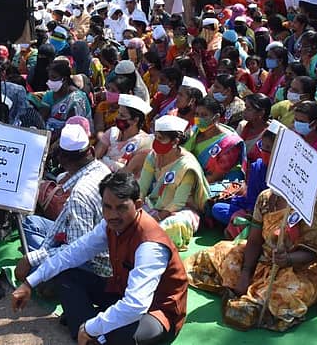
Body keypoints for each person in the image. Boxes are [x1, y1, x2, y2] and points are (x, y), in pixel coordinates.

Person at [12, 172, 189, 345]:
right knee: (66, 274)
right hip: (122, 291)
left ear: (138, 205)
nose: (112, 215)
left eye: (121, 207)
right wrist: (29, 283)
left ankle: (89, 330)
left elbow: (136, 305)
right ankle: (91, 332)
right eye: (107, 207)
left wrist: (91, 327)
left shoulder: (150, 245)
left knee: (122, 335)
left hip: (156, 311)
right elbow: (73, 253)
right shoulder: (110, 225)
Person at [185, 186, 317, 331]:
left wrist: (288, 259)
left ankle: (258, 300)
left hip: (302, 268)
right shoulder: (265, 198)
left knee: (282, 297)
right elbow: (254, 241)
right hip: (264, 257)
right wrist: (246, 274)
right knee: (218, 254)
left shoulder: (312, 205)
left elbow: (314, 252)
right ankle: (248, 285)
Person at [16, 123, 112, 283]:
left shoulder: (80, 194)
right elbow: (62, 222)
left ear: (62, 159)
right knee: (31, 223)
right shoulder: (102, 168)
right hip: (92, 245)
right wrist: (42, 251)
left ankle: (51, 281)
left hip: (95, 265)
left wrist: (31, 258)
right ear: (92, 151)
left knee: (33, 262)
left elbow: (77, 251)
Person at [138, 115, 209, 251]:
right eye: (156, 137)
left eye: (161, 139)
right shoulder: (153, 156)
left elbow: (178, 203)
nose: (156, 142)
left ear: (175, 141)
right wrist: (137, 206)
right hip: (156, 203)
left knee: (168, 227)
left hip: (181, 211)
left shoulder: (187, 165)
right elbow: (142, 187)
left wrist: (156, 218)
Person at [184, 97, 246, 187]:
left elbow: (215, 176)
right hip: (192, 178)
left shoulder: (229, 143)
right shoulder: (196, 130)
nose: (199, 118)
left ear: (216, 117)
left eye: (204, 115)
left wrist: (191, 187)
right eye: (197, 114)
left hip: (221, 184)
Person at [95, 94, 153, 175]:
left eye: (122, 115)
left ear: (135, 120)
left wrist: (105, 161)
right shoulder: (112, 132)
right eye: (118, 113)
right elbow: (95, 158)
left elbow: (126, 172)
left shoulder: (144, 142)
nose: (117, 118)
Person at [41, 59, 92, 134]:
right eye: (49, 78)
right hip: (49, 133)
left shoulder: (77, 99)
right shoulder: (49, 95)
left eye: (54, 77)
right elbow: (42, 118)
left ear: (64, 79)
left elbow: (72, 127)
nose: (50, 81)